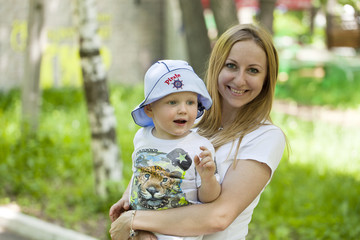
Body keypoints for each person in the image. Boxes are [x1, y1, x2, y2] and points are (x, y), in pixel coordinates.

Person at [109, 23, 286, 240]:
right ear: (217, 67)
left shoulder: (264, 136)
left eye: (253, 70)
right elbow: (152, 156)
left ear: (267, 78)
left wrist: (135, 220)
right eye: (231, 66)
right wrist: (130, 202)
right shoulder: (189, 117)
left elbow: (219, 216)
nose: (240, 80)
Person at [114, 59, 221, 240]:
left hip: (177, 234)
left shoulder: (199, 147)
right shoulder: (142, 137)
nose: (183, 110)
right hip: (138, 231)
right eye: (172, 102)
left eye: (190, 102)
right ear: (149, 108)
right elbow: (138, 171)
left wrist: (208, 177)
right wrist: (126, 196)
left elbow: (208, 200)